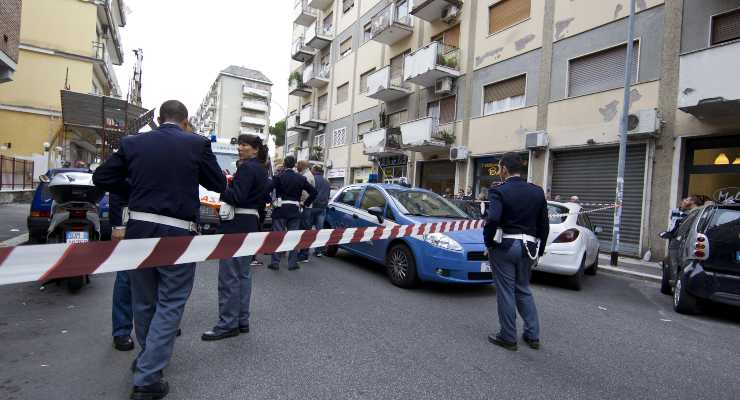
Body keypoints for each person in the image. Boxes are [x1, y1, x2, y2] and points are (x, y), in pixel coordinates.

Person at [93, 100, 226, 399]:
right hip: (178, 233)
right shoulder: (197, 143)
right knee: (170, 302)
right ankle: (148, 379)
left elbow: (101, 178)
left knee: (143, 301)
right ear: (185, 119)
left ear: (161, 118)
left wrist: (138, 190)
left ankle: (146, 359)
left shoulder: (133, 143)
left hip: (139, 229)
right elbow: (217, 182)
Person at [202, 134, 269, 342]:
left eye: (245, 145)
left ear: (255, 149)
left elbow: (237, 197)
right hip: (251, 224)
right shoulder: (262, 170)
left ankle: (227, 324)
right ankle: (242, 320)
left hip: (236, 224)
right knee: (243, 275)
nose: (240, 148)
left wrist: (221, 189)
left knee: (229, 277)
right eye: (239, 144)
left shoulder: (247, 168)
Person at [483, 153, 549, 352]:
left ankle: (508, 336)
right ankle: (532, 335)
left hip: (505, 245)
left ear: (504, 169)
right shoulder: (537, 192)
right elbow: (544, 225)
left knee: (505, 291)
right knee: (523, 289)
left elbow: (493, 219)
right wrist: (540, 251)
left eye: (500, 168)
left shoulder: (498, 191)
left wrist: (488, 242)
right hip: (529, 247)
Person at [268, 155, 317, 271]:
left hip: (280, 210)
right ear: (294, 165)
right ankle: (292, 263)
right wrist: (304, 204)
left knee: (277, 237)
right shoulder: (300, 178)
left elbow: (266, 189)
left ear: (284, 164)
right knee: (293, 238)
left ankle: (275, 263)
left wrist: (271, 202)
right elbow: (314, 192)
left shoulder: (278, 177)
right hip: (295, 211)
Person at [110, 192, 134, 352]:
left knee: (159, 274)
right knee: (125, 277)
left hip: (160, 215)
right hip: (131, 216)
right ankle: (121, 330)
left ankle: (161, 325)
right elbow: (113, 181)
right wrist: (117, 224)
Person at [305, 165, 331, 257]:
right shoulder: (327, 181)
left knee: (307, 229)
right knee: (319, 230)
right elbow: (328, 195)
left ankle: (305, 252)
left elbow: (309, 193)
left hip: (312, 207)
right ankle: (319, 250)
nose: (311, 171)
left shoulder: (313, 179)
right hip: (322, 208)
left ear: (315, 171)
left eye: (312, 169)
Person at [297, 160, 316, 263]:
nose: (296, 167)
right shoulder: (308, 174)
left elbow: (305, 193)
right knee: (305, 229)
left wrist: (302, 203)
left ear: (302, 166)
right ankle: (303, 253)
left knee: (304, 230)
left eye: (298, 165)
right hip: (307, 207)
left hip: (305, 207)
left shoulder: (307, 176)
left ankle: (304, 254)